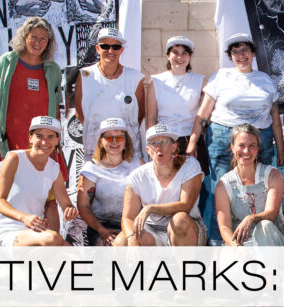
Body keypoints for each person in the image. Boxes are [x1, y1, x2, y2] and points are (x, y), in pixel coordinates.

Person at [187, 33, 284, 241]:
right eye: (235, 51)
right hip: (224, 141)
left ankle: (258, 243)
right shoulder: (220, 77)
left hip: (260, 141)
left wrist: (282, 149)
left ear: (253, 53)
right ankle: (219, 245)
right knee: (220, 194)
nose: (241, 55)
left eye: (245, 50)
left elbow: (275, 118)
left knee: (258, 195)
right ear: (229, 56)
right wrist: (193, 142)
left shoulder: (265, 80)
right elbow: (203, 113)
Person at [0, 17, 66, 198]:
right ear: (24, 37)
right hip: (8, 141)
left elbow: (56, 107)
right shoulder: (6, 63)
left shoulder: (53, 69)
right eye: (33, 37)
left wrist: (56, 138)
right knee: (7, 195)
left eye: (43, 39)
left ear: (49, 43)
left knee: (46, 198)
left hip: (42, 143)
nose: (38, 43)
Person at [0, 116, 79, 246]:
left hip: (38, 231)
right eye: (39, 136)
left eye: (50, 137)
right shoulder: (14, 158)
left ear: (57, 140)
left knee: (77, 260)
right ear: (30, 138)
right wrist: (24, 217)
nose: (44, 142)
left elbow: (66, 204)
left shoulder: (54, 168)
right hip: (10, 231)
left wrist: (70, 209)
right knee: (52, 238)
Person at [122, 124, 206, 246]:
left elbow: (185, 205)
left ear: (174, 147)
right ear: (148, 150)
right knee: (122, 242)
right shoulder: (137, 175)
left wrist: (150, 208)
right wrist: (131, 238)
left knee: (179, 221)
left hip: (186, 227)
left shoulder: (190, 165)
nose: (158, 147)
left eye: (164, 142)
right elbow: (128, 218)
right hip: (151, 230)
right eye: (153, 143)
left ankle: (187, 265)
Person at [74, 27, 145, 161]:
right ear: (97, 48)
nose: (110, 51)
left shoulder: (135, 78)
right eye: (105, 46)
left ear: (121, 50)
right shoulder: (85, 76)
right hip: (95, 151)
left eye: (116, 47)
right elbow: (79, 112)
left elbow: (140, 114)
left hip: (128, 152)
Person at [215, 124, 284, 246]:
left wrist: (250, 218)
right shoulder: (224, 184)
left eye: (252, 146)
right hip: (241, 245)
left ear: (257, 149)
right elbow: (224, 227)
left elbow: (271, 214)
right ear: (232, 147)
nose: (246, 151)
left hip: (272, 244)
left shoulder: (272, 175)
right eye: (241, 145)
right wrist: (237, 248)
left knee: (265, 225)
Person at [147, 36, 209, 172]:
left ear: (190, 57)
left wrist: (193, 142)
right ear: (168, 55)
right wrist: (152, 144)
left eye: (184, 53)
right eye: (175, 52)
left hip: (191, 139)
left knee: (193, 186)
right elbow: (151, 117)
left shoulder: (200, 80)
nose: (180, 57)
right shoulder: (156, 81)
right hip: (164, 140)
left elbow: (203, 116)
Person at [76, 118, 140, 246]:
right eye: (109, 138)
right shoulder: (90, 169)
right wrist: (101, 230)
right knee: (109, 251)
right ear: (101, 140)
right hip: (102, 226)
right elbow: (83, 206)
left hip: (133, 223)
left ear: (126, 140)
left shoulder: (138, 164)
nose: (114, 142)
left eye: (119, 138)